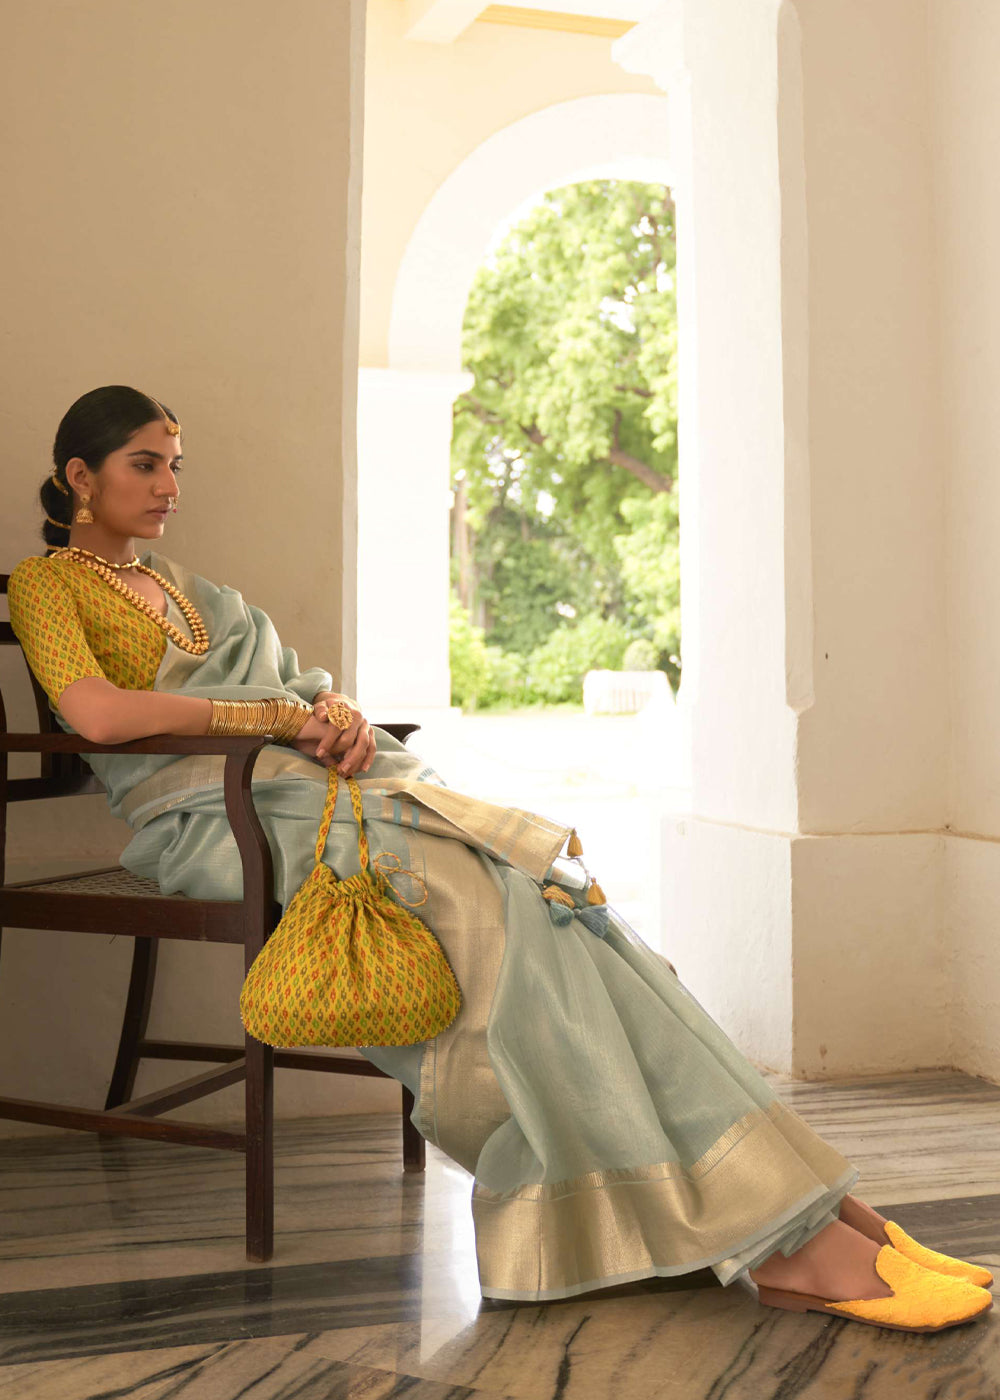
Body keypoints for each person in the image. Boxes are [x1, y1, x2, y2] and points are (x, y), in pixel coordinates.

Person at [6, 385, 993, 1335]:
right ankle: (747, 1224)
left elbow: (298, 690)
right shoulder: (47, 582)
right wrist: (278, 717)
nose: (170, 483)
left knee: (554, 895)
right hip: (209, 818)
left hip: (296, 787)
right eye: (146, 463)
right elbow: (95, 713)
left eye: (177, 464)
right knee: (501, 899)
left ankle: (785, 1206)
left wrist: (336, 718)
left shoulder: (198, 593)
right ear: (79, 475)